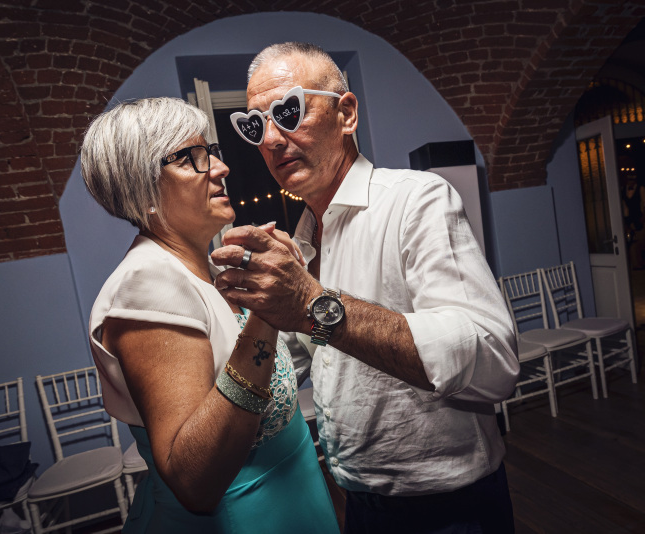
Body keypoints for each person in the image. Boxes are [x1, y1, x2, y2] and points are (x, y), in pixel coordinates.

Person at [211, 42, 521, 533]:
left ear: (347, 114)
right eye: (254, 126)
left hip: (449, 507)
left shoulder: (415, 201)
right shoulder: (301, 241)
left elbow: (493, 360)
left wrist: (312, 303)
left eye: (288, 111)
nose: (270, 139)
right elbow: (290, 369)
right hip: (358, 502)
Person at [81, 97, 340, 533]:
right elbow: (195, 482)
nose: (221, 168)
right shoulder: (147, 285)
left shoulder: (210, 271)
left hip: (294, 502)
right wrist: (266, 310)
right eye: (191, 158)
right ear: (142, 187)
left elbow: (270, 373)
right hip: (243, 518)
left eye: (211, 152)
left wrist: (295, 292)